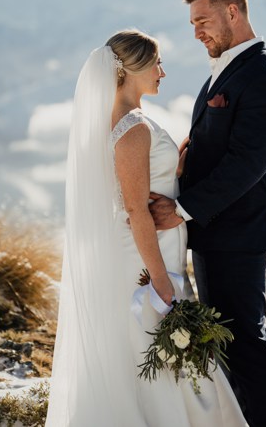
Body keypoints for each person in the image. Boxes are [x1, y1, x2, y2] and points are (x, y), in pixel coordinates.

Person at [45, 29, 247, 426]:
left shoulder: (124, 121)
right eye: (156, 63)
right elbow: (137, 209)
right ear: (131, 69)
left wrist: (177, 167)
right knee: (153, 344)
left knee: (151, 347)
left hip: (151, 246)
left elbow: (137, 186)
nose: (162, 72)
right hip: (146, 253)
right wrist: (158, 278)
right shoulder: (133, 127)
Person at [148, 0, 266, 427]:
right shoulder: (230, 67)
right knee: (227, 340)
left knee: (246, 341)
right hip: (214, 232)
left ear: (233, 12)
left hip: (238, 232)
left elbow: (246, 163)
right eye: (192, 23)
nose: (196, 32)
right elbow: (213, 144)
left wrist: (182, 207)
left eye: (203, 20)